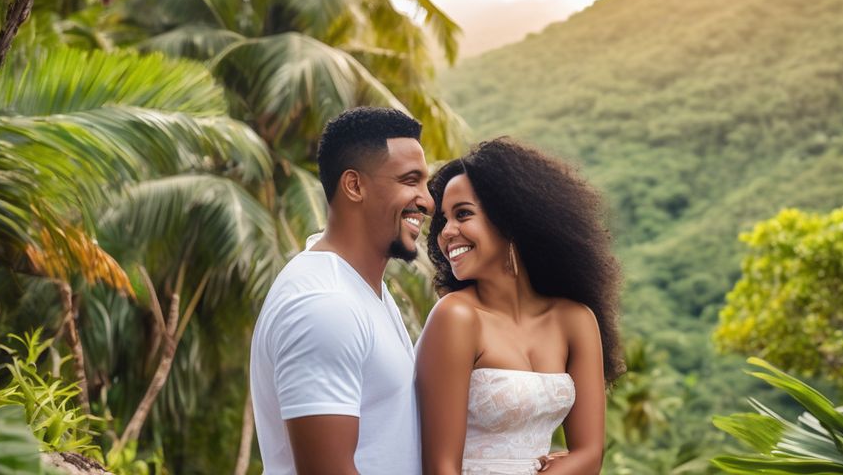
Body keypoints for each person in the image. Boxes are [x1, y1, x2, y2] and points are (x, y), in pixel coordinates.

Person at [415, 138, 625, 475]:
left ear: (511, 220)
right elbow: (441, 467)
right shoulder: (456, 317)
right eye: (443, 220)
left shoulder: (575, 320)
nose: (446, 233)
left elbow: (589, 455)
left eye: (463, 214)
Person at [250, 107, 433, 475]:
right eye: (410, 181)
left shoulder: (364, 290)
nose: (427, 201)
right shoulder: (324, 304)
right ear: (354, 185)